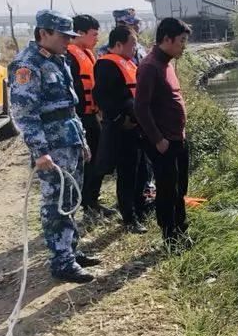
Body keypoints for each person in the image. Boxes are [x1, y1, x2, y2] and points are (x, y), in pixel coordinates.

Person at [7, 10, 99, 283]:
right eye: (62, 36)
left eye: (70, 36)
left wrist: (81, 140)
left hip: (69, 141)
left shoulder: (59, 60)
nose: (67, 41)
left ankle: (71, 250)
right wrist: (40, 151)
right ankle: (61, 262)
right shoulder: (27, 65)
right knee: (55, 204)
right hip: (51, 148)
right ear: (43, 33)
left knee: (70, 200)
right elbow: (24, 113)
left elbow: (69, 108)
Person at [135, 18, 192, 247]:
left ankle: (180, 228)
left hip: (178, 138)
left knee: (180, 187)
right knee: (167, 190)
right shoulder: (150, 66)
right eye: (181, 41)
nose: (184, 46)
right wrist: (158, 139)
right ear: (167, 39)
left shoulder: (166, 63)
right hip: (164, 142)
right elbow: (140, 107)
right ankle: (170, 237)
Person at [94, 26, 148, 233]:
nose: (135, 48)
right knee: (127, 174)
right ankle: (129, 218)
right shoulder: (107, 65)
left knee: (141, 170)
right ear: (118, 44)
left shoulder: (127, 62)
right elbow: (104, 98)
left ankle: (139, 207)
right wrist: (120, 119)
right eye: (132, 44)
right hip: (123, 130)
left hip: (137, 127)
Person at [66, 14, 115, 221]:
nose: (97, 38)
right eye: (94, 34)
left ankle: (92, 201)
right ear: (80, 33)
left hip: (93, 115)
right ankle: (86, 204)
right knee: (88, 163)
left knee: (98, 160)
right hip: (81, 118)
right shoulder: (69, 57)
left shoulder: (87, 53)